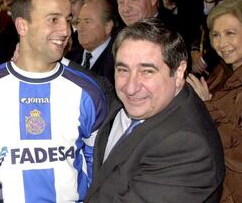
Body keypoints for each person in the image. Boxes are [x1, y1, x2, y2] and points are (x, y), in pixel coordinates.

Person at [0, 0, 107, 203]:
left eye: (68, 20)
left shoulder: (87, 91)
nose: (66, 31)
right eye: (53, 19)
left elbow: (96, 165)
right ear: (22, 26)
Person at [84, 18, 225, 203]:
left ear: (179, 71)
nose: (130, 87)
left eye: (147, 71)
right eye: (123, 70)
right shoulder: (148, 100)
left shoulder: (186, 147)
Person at [187, 0, 242, 203]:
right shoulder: (222, 71)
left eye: (230, 33)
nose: (221, 43)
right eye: (216, 35)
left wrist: (208, 106)